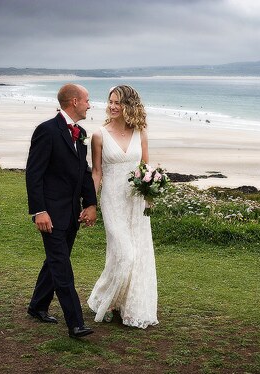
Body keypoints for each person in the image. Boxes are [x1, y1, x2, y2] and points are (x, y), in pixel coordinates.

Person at [25, 83, 98, 338]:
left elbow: (84, 173)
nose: (90, 105)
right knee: (62, 266)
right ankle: (75, 323)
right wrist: (39, 211)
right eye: (87, 100)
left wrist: (90, 204)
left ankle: (37, 306)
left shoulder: (81, 132)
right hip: (51, 214)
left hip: (71, 213)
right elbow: (34, 175)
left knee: (55, 261)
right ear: (75, 102)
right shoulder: (47, 130)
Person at [87, 85, 159, 329]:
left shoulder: (141, 133)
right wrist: (89, 203)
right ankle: (104, 299)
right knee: (124, 254)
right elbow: (97, 172)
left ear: (129, 105)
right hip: (113, 200)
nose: (113, 106)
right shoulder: (99, 135)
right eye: (110, 102)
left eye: (118, 102)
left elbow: (146, 169)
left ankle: (127, 304)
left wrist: (152, 189)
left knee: (138, 254)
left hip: (137, 201)